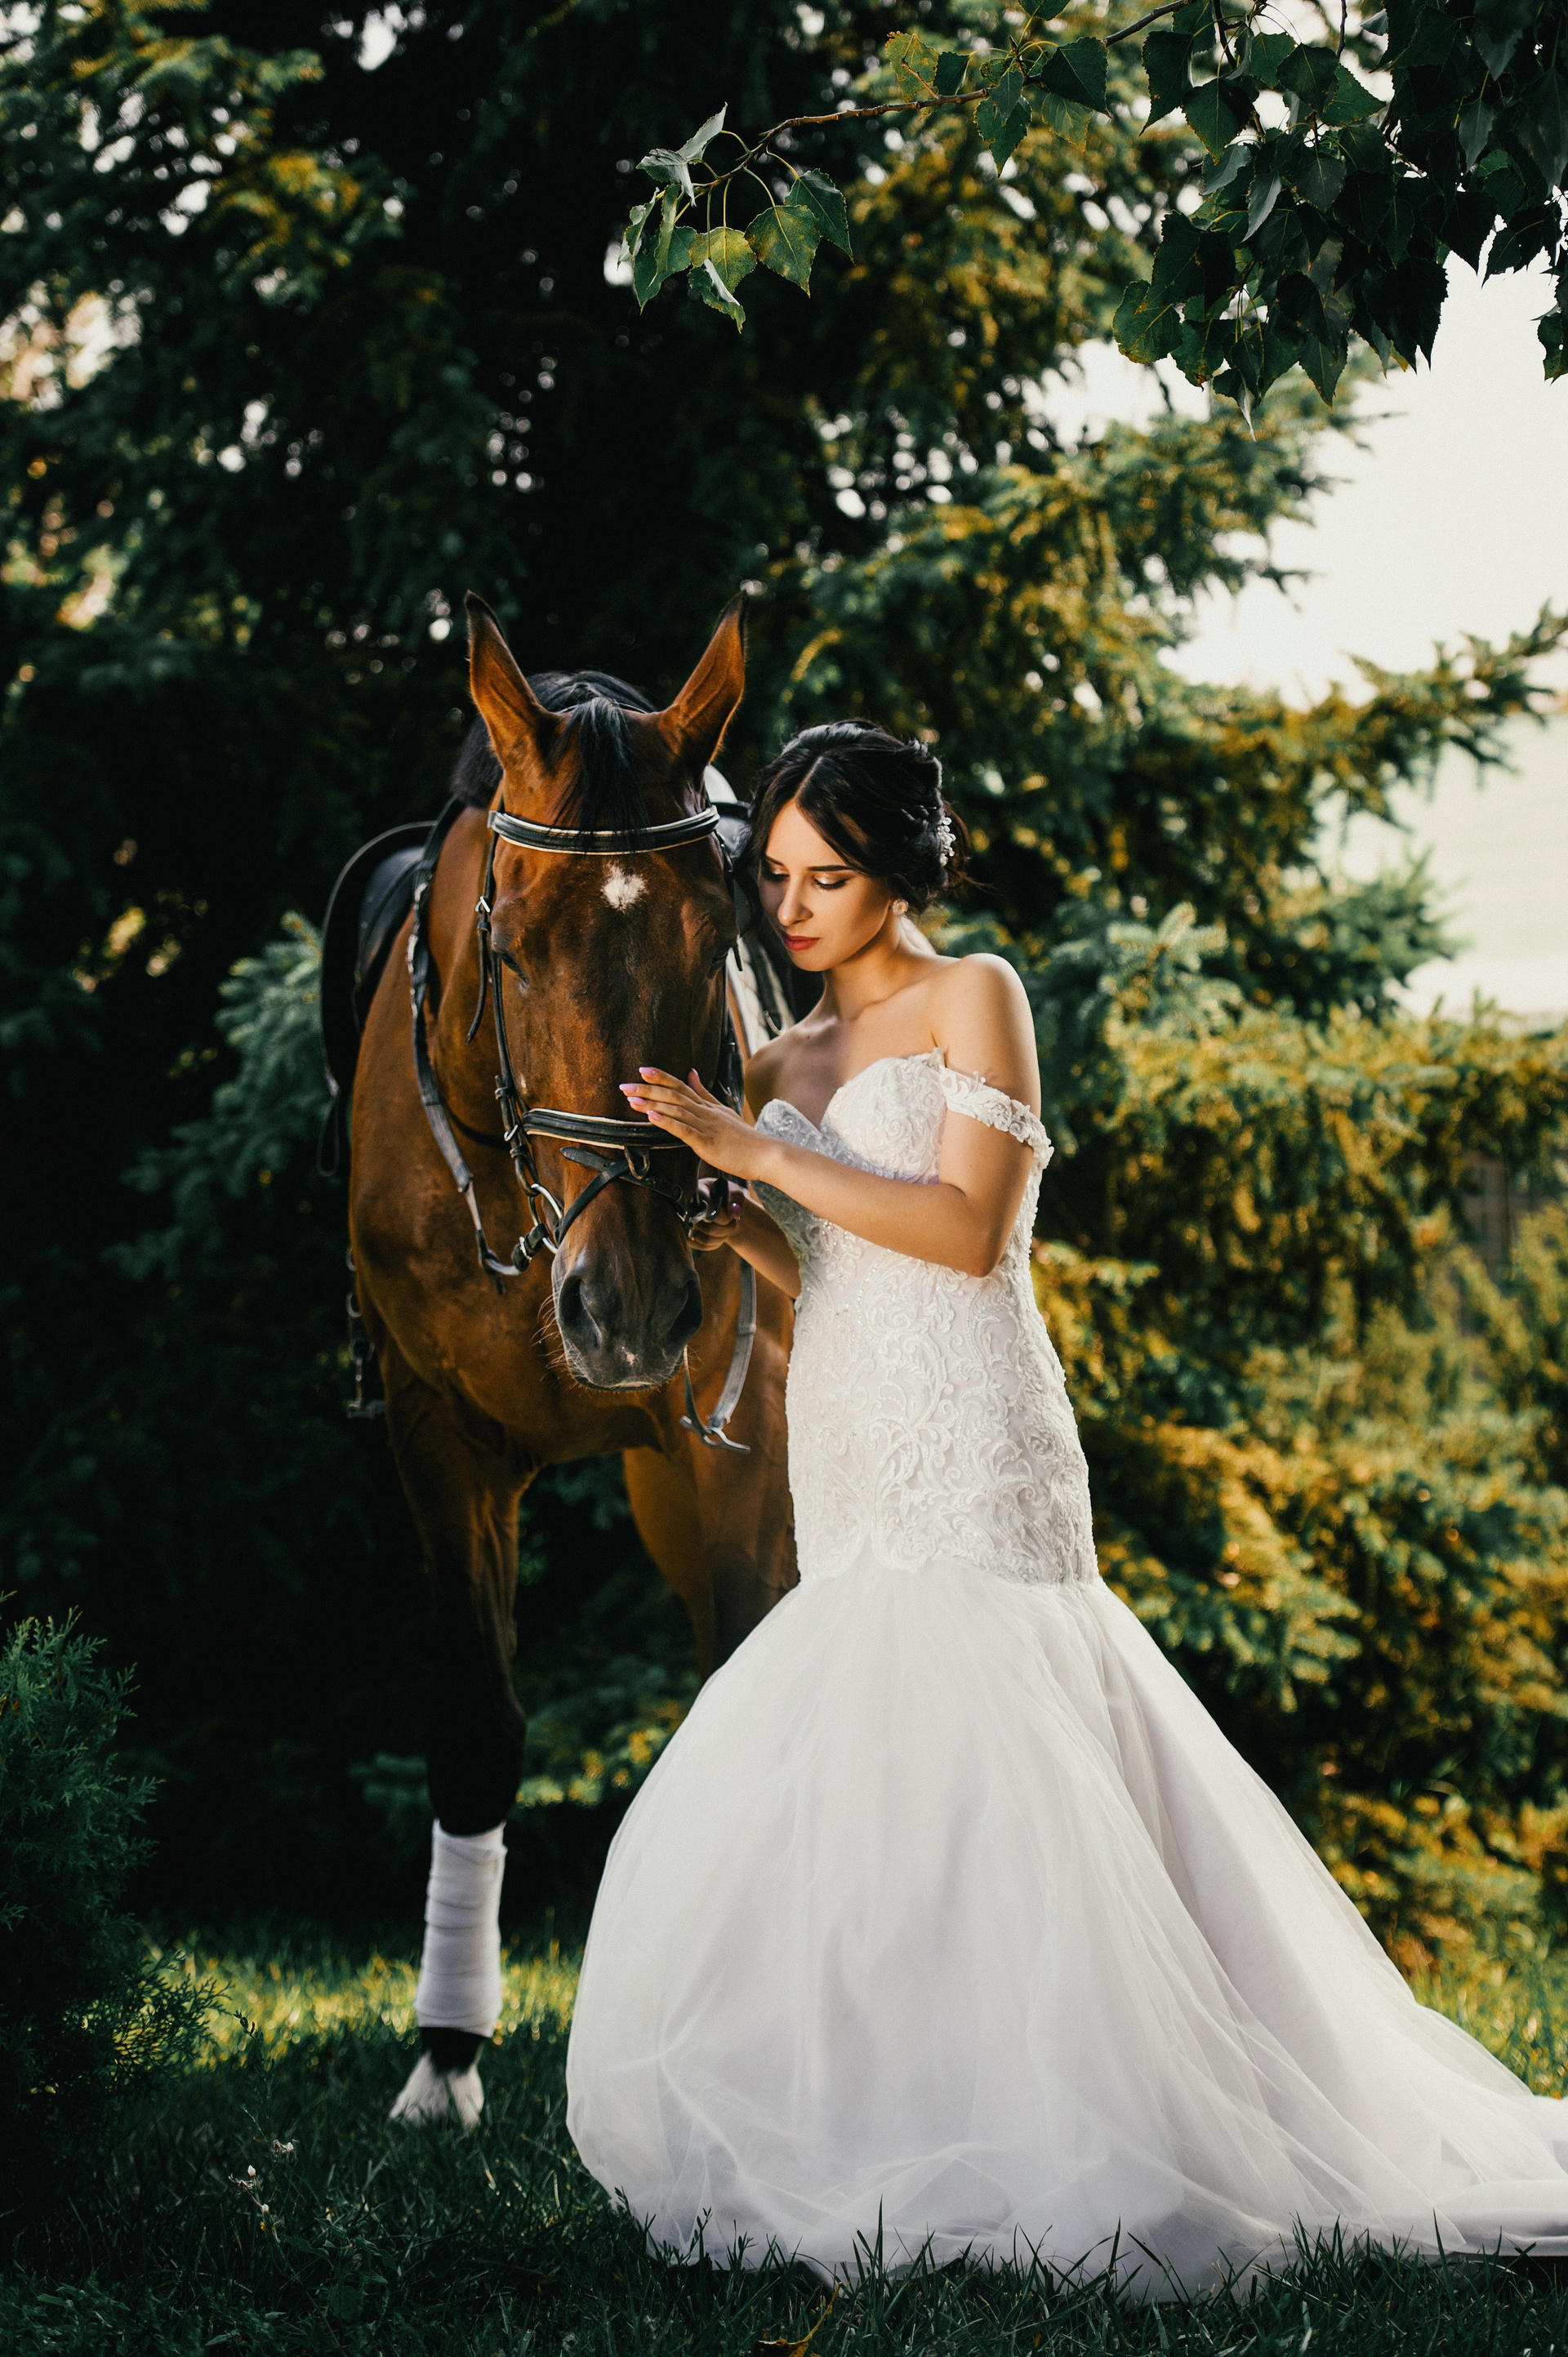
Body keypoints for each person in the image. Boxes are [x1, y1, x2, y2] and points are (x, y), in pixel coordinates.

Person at [564, 720, 1568, 2297]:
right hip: (851, 1431)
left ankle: (1116, 2122)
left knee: (1009, 1748)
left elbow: (969, 1232)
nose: (794, 907)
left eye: (828, 875)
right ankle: (897, 2115)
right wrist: (726, 1216)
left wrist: (759, 1153)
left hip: (978, 1429)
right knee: (880, 1774)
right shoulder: (776, 1058)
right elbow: (830, 1269)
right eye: (777, 877)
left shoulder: (977, 996)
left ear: (900, 869)